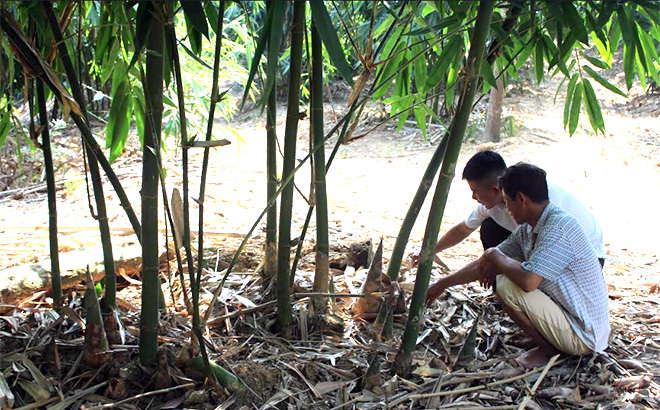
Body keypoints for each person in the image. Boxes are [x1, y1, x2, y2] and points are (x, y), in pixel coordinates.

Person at [426, 163, 610, 368]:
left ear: (521, 199)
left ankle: (547, 350)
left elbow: (528, 281)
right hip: (571, 318)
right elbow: (485, 263)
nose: (506, 209)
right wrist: (443, 283)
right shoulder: (530, 228)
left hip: (584, 334)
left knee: (507, 285)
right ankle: (548, 339)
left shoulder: (558, 227)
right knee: (505, 273)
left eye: (506, 201)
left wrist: (495, 255)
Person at [413, 151, 605, 266]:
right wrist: (430, 251)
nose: (474, 198)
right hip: (541, 249)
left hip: (581, 258)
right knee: (490, 228)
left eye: (475, 192)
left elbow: (542, 261)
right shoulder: (495, 203)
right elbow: (464, 228)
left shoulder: (546, 204)